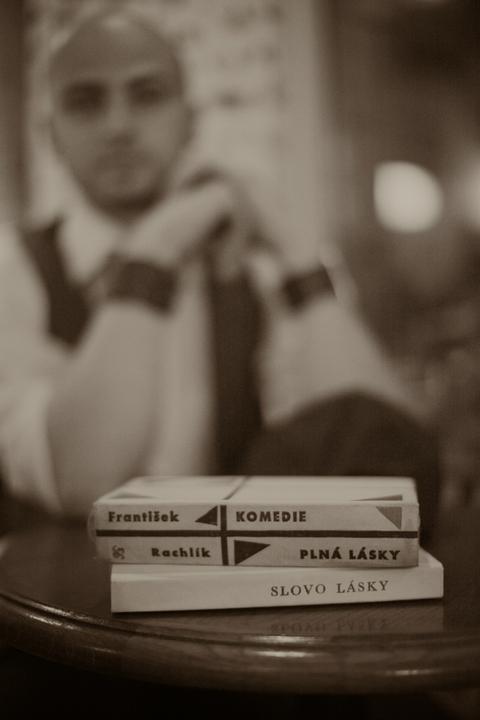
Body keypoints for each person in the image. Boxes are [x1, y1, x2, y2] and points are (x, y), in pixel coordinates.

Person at [0, 5, 439, 533]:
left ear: (191, 122)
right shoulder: (15, 269)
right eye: (85, 101)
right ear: (51, 133)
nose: (118, 126)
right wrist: (157, 245)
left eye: (147, 94)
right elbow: (78, 480)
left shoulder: (249, 269)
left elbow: (386, 455)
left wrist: (295, 248)